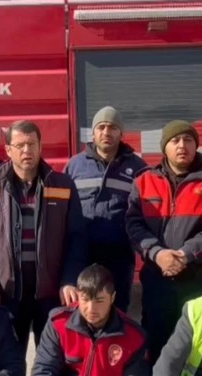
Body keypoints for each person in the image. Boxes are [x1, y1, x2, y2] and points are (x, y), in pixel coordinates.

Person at [0, 120, 87, 353]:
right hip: (7, 292)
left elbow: (77, 238)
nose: (26, 150)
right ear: (8, 149)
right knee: (9, 360)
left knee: (53, 361)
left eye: (32, 144)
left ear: (40, 146)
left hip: (52, 293)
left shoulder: (62, 184)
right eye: (20, 145)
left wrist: (69, 279)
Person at [126, 120, 202, 363]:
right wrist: (157, 254)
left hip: (198, 280)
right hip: (157, 279)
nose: (181, 145)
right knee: (158, 344)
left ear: (196, 145)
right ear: (165, 148)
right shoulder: (144, 181)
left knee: (199, 345)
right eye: (175, 141)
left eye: (188, 140)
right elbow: (133, 224)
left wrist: (185, 254)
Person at [64, 106, 148, 312]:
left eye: (112, 128)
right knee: (83, 309)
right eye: (101, 127)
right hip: (81, 253)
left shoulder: (138, 167)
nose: (106, 132)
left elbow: (146, 211)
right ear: (93, 133)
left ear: (121, 133)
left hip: (119, 255)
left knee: (117, 310)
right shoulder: (74, 166)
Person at [32, 263, 150, 376]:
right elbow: (44, 369)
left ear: (112, 298)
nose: (91, 309)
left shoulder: (135, 337)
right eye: (85, 299)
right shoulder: (58, 323)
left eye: (99, 301)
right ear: (78, 295)